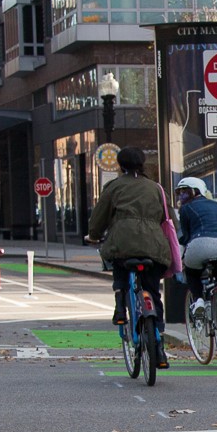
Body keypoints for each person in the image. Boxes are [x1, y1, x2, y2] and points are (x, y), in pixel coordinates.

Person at [86, 146, 173, 368]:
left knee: (119, 263)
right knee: (153, 293)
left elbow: (99, 217)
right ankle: (159, 346)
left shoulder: (114, 187)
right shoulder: (156, 189)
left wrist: (94, 236)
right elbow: (169, 217)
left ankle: (120, 306)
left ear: (120, 165)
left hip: (123, 242)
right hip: (154, 246)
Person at [175, 177, 217, 319]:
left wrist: (181, 254)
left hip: (198, 244)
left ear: (195, 191)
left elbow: (186, 237)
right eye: (180, 192)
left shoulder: (185, 209)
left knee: (191, 272)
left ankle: (199, 300)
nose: (181, 196)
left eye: (185, 192)